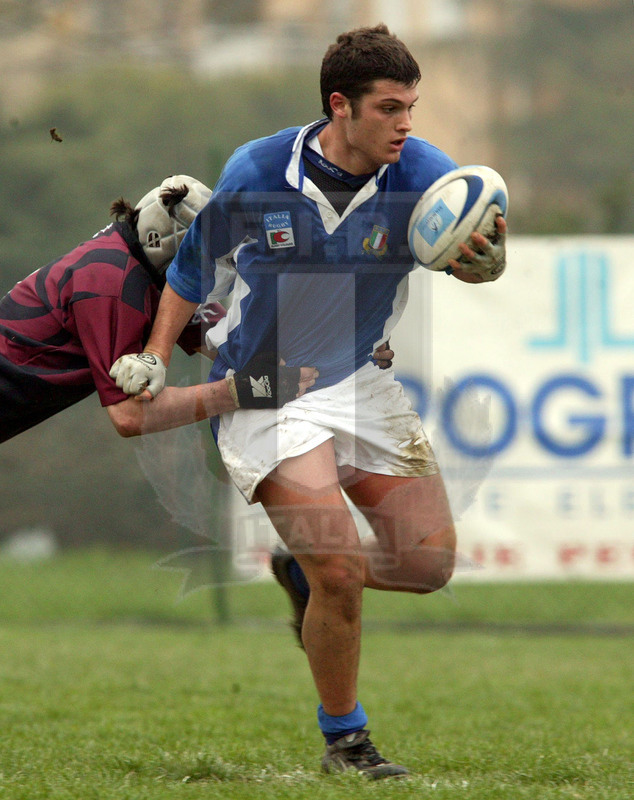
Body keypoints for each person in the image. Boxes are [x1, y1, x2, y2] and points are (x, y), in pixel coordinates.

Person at [112, 25, 507, 779]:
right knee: (342, 572)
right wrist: (156, 357)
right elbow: (192, 272)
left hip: (360, 381)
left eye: (411, 107)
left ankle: (301, 566)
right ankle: (347, 741)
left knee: (429, 567)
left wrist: (483, 262)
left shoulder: (426, 174)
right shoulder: (259, 169)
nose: (406, 124)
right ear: (341, 106)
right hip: (267, 389)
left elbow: (467, 242)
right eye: (390, 108)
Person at [0, 175, 319, 444]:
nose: (212, 267)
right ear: (165, 240)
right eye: (204, 253)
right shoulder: (113, 282)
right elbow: (129, 416)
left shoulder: (158, 280)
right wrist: (247, 391)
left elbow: (242, 347)